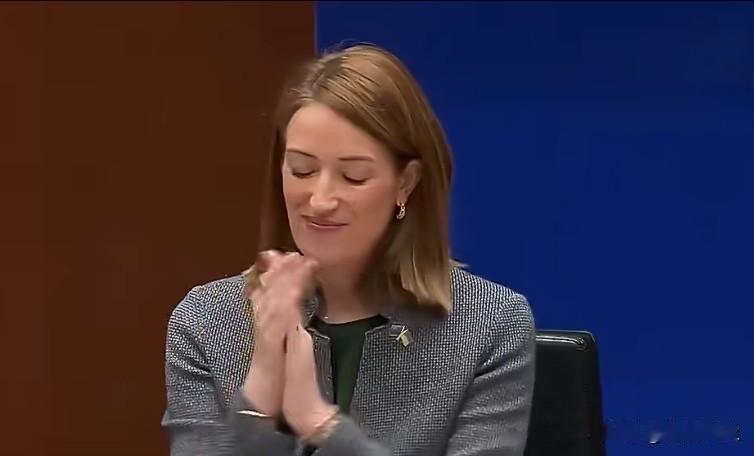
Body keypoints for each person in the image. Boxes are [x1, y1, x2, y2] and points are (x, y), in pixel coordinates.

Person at [162, 43, 536, 456]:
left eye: (353, 176)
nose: (320, 200)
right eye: (302, 170)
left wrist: (320, 423)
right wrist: (262, 394)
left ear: (406, 183)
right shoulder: (206, 320)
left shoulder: (490, 324)